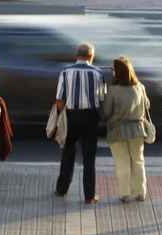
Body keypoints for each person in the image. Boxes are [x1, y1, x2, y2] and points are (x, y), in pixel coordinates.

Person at [54, 43, 106, 204]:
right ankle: (89, 195)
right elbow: (102, 97)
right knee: (89, 158)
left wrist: (63, 114)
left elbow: (59, 98)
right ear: (91, 56)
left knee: (68, 153)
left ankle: (61, 190)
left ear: (77, 55)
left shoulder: (65, 72)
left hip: (71, 116)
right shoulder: (97, 73)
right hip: (90, 117)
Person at [103, 57, 150, 203]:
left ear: (117, 72)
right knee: (138, 161)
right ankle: (141, 193)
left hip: (118, 130)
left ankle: (126, 194)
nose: (112, 72)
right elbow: (147, 104)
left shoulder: (113, 90)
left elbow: (106, 111)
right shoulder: (140, 87)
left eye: (113, 69)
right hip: (137, 129)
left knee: (122, 163)